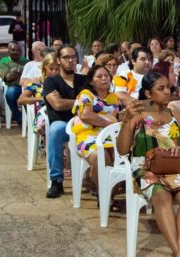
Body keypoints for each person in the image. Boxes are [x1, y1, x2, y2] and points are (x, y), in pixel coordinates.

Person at [117, 72, 180, 257]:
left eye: (168, 87)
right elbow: (122, 150)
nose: (168, 92)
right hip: (146, 169)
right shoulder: (136, 114)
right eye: (161, 88)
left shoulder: (176, 114)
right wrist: (126, 121)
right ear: (148, 93)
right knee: (161, 195)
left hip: (175, 167)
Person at [43, 46, 87, 198]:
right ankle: (56, 180)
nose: (70, 60)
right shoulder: (51, 81)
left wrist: (65, 101)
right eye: (66, 57)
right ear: (58, 60)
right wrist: (81, 101)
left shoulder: (84, 80)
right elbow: (57, 105)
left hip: (84, 121)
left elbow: (93, 102)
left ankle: (94, 178)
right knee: (55, 131)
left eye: (73, 57)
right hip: (62, 122)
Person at [70, 65, 122, 192]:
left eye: (106, 75)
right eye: (99, 76)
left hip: (110, 137)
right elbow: (85, 115)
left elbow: (118, 117)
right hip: (88, 137)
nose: (104, 78)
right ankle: (103, 193)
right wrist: (109, 123)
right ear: (91, 81)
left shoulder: (114, 97)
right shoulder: (86, 95)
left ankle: (110, 190)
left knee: (123, 155)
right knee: (101, 156)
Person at [0, 43, 30, 128]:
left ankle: (31, 119)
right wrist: (21, 70)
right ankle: (20, 118)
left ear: (21, 52)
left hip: (27, 87)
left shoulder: (26, 62)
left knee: (33, 95)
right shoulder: (5, 62)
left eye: (18, 50)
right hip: (14, 87)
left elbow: (31, 75)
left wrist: (14, 72)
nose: (16, 52)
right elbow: (8, 77)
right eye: (13, 50)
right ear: (9, 51)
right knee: (10, 94)